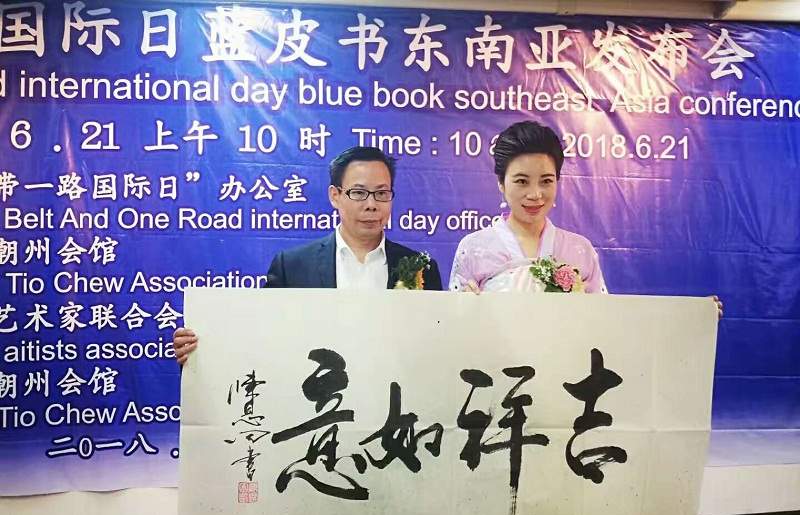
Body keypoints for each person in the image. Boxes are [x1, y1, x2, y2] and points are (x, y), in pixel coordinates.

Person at [174, 146, 443, 364]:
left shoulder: (422, 269)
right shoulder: (292, 266)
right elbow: (261, 338)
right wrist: (203, 351)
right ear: (335, 196)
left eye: (382, 193)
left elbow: (435, 346)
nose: (371, 204)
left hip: (392, 405)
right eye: (359, 193)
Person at [448, 120, 723, 315]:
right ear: (501, 183)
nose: (535, 194)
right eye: (521, 181)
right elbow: (453, 330)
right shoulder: (474, 248)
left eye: (546, 181)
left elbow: (603, 320)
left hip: (565, 372)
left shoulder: (579, 249)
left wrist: (693, 316)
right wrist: (463, 309)